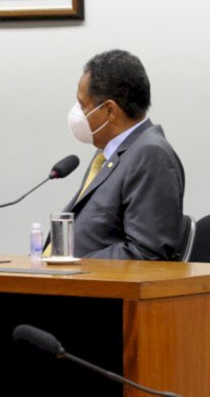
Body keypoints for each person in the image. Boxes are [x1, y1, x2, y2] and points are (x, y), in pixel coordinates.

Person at [59, 50, 184, 260]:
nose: (78, 113)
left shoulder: (150, 155)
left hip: (91, 286)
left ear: (110, 111)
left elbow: (147, 253)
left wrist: (74, 267)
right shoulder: (111, 153)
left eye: (83, 106)